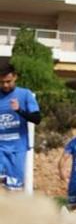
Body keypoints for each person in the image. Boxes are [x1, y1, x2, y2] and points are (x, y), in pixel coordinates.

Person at [0, 60, 41, 191]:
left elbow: (37, 119)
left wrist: (19, 110)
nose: (5, 85)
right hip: (0, 148)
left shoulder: (25, 94)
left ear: (15, 77)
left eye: (8, 81)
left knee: (14, 189)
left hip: (18, 148)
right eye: (1, 82)